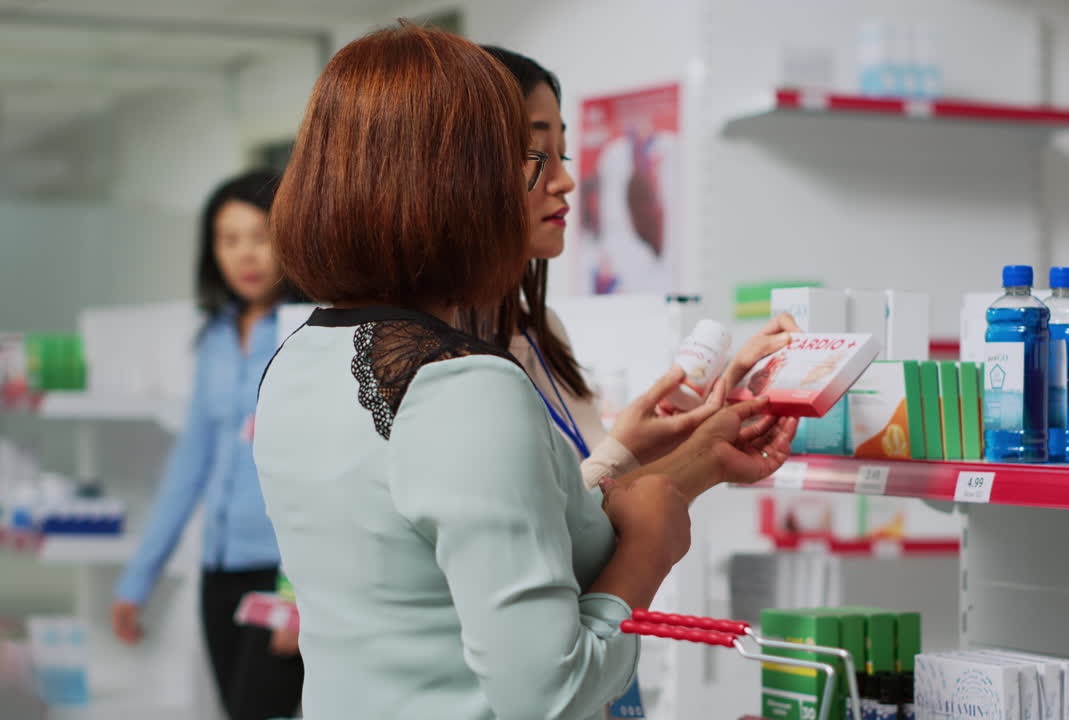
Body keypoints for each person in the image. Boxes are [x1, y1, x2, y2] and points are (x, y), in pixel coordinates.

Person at [253, 22, 794, 720]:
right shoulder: (464, 384)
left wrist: (687, 462)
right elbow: (550, 694)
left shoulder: (296, 359)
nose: (548, 180)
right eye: (524, 159)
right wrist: (649, 551)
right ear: (451, 184)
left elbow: (457, 553)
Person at [482, 45, 801, 500]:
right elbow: (557, 525)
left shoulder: (542, 331)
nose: (566, 181)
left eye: (563, 157)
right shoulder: (443, 359)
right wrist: (635, 450)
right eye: (536, 156)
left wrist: (721, 396)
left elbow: (600, 507)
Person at [111, 170, 304, 720]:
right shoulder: (215, 337)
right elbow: (189, 465)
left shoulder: (309, 332)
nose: (245, 254)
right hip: (219, 571)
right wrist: (138, 579)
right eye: (229, 239)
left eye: (260, 236)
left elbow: (320, 476)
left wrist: (298, 594)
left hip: (280, 573)